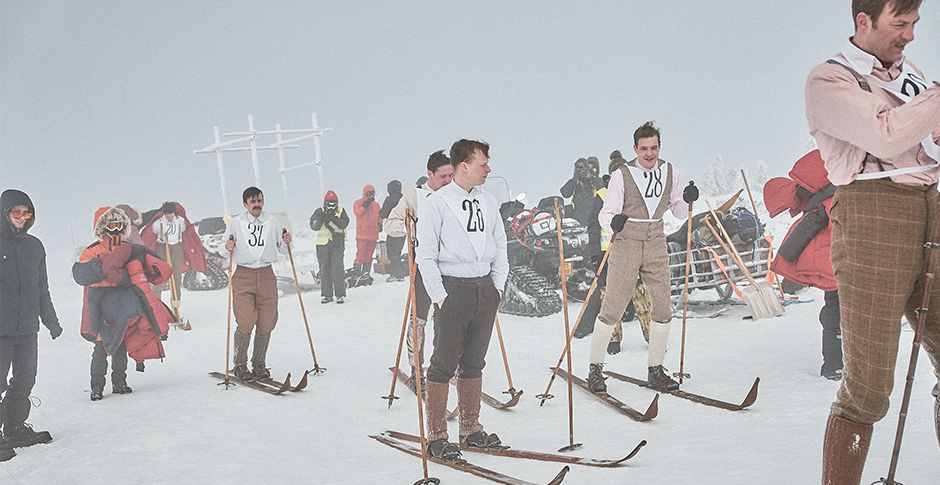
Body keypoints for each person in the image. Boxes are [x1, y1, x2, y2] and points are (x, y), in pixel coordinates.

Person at [804, 1, 940, 482]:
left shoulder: (913, 76)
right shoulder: (830, 80)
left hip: (932, 209)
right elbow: (885, 134)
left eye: (914, 24)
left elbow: (927, 136)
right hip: (872, 217)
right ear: (864, 21)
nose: (908, 35)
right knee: (869, 385)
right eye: (899, 24)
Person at [586, 121, 696, 394]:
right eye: (644, 148)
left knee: (663, 306)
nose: (650, 154)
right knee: (613, 306)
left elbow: (679, 211)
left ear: (659, 147)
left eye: (654, 148)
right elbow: (605, 214)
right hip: (627, 242)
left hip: (657, 239)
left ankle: (655, 370)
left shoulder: (671, 172)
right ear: (635, 149)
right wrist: (615, 223)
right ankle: (595, 369)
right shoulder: (622, 175)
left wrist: (688, 199)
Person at [416, 139, 508, 461]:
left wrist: (496, 287)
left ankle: (470, 430)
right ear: (463, 166)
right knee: (442, 364)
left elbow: (500, 243)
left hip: (484, 289)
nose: (488, 169)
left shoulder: (489, 201)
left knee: (474, 362)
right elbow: (424, 257)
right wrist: (441, 298)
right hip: (453, 288)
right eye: (483, 164)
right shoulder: (436, 204)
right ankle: (437, 437)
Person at [73, 207, 174, 402]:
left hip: (122, 303)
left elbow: (141, 269)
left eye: (119, 225)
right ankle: (96, 386)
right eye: (111, 225)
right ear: (103, 227)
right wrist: (111, 274)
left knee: (120, 344)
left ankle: (119, 382)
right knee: (101, 346)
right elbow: (86, 275)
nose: (115, 229)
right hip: (100, 304)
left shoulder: (128, 248)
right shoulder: (93, 249)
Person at [763, 150, 842, 380]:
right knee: (841, 312)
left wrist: (787, 258)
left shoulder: (825, 198)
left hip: (835, 262)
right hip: (845, 259)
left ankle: (834, 365)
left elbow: (808, 227)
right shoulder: (838, 190)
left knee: (834, 311)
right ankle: (838, 365)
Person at [386, 150, 455, 393]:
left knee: (447, 319)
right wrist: (410, 225)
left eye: (451, 175)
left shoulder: (455, 194)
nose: (448, 180)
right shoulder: (415, 196)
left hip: (452, 268)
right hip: (424, 268)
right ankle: (417, 370)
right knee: (419, 320)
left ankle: (443, 366)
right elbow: (390, 224)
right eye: (443, 176)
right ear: (430, 174)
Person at [0, 189, 61, 459]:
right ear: (5, 213)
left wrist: (51, 321)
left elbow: (41, 288)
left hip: (26, 328)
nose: (22, 217)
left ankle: (14, 428)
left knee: (25, 380)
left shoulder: (34, 245)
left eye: (27, 213)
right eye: (17, 212)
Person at [217, 187, 292, 382]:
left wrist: (287, 242)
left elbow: (284, 249)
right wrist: (227, 246)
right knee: (246, 319)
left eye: (260, 201)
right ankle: (240, 363)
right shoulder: (236, 223)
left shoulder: (272, 221)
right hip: (244, 275)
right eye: (253, 202)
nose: (257, 205)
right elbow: (223, 249)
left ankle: (259, 363)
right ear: (245, 204)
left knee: (267, 320)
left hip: (267, 274)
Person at [141, 201, 206, 329]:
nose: (170, 219)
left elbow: (188, 235)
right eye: (167, 216)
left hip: (176, 248)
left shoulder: (180, 221)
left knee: (176, 279)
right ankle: (156, 311)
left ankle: (176, 311)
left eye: (171, 216)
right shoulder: (158, 223)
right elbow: (148, 237)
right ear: (163, 214)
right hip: (162, 248)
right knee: (158, 279)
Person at [309, 190, 349, 304]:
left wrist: (333, 217)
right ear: (324, 203)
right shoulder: (319, 211)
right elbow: (314, 226)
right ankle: (327, 295)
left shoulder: (341, 211)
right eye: (329, 203)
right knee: (324, 269)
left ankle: (340, 294)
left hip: (337, 244)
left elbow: (344, 223)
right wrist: (321, 218)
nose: (331, 206)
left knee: (337, 269)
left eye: (333, 203)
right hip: (323, 245)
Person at [560, 157, 605, 226]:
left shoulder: (599, 179)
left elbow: (603, 186)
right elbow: (565, 193)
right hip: (577, 218)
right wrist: (574, 179)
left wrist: (591, 177)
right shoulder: (577, 181)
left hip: (593, 218)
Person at [353, 185, 382, 277]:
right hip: (362, 235)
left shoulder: (376, 205)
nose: (371, 195)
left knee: (369, 256)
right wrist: (365, 204)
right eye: (369, 193)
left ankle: (366, 275)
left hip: (373, 235)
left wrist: (380, 224)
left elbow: (380, 216)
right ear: (365, 193)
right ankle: (357, 274)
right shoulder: (358, 203)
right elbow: (358, 213)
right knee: (360, 255)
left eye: (373, 193)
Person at [379, 180, 405, 282]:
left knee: (392, 252)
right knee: (398, 251)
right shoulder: (405, 198)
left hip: (393, 228)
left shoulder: (389, 200)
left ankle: (397, 274)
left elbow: (382, 214)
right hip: (403, 228)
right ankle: (399, 273)